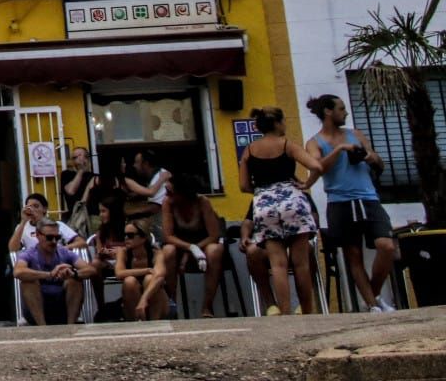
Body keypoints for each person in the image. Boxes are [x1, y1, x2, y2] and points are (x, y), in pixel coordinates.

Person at [306, 93, 398, 311]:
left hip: (368, 198)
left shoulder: (355, 134)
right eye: (341, 108)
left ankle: (373, 294)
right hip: (340, 202)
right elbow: (317, 168)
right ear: (328, 112)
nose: (346, 112)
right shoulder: (314, 142)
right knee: (353, 255)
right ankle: (372, 305)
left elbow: (379, 163)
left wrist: (369, 156)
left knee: (386, 246)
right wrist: (339, 150)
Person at [240, 106, 325, 316]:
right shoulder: (287, 145)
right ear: (277, 123)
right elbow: (317, 166)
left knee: (278, 264)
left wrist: (262, 191)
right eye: (284, 121)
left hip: (264, 204)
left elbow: (243, 186)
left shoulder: (249, 150)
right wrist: (306, 184)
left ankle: (284, 312)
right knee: (301, 263)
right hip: (292, 201)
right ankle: (306, 309)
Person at [157, 174, 225, 315]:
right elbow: (168, 236)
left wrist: (194, 250)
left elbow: (214, 235)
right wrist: (190, 248)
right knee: (168, 251)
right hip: (180, 245)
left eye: (170, 192)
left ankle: (207, 306)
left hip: (204, 244)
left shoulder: (202, 202)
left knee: (215, 250)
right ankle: (171, 303)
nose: (167, 194)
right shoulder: (168, 203)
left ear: (183, 193)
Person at [14, 218, 86, 325]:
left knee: (75, 281)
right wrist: (49, 274)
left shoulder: (63, 252)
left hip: (63, 310)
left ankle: (71, 325)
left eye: (57, 238)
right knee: (28, 283)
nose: (54, 241)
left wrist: (73, 273)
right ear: (38, 235)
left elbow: (90, 269)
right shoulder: (29, 253)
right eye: (49, 237)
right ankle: (43, 328)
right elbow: (18, 272)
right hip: (36, 312)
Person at [110, 220, 170, 321]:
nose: (126, 238)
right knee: (129, 281)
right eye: (124, 235)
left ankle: (155, 321)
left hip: (156, 302)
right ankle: (136, 320)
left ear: (143, 238)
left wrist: (143, 300)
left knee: (150, 279)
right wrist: (146, 270)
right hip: (132, 304)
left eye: (130, 235)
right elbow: (119, 273)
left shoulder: (156, 253)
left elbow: (160, 275)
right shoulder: (123, 252)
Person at [122, 150, 171, 242]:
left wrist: (130, 212)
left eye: (137, 162)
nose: (134, 166)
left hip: (162, 225)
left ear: (145, 164)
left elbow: (155, 207)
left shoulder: (160, 176)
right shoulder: (154, 179)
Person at [60, 146, 99, 238]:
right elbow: (71, 191)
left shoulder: (95, 177)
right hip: (75, 218)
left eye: (80, 156)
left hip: (93, 217)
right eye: (74, 158)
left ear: (87, 158)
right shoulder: (67, 175)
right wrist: (81, 171)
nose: (77, 160)